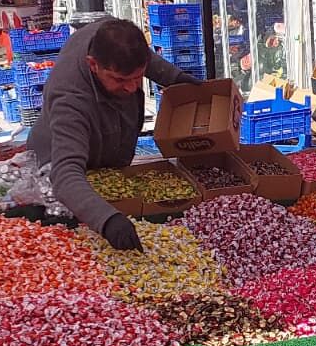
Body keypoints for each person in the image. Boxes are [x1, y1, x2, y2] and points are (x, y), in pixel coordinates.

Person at [30, 18, 200, 250]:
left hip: (107, 143)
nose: (131, 88)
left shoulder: (112, 35)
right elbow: (65, 174)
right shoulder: (70, 99)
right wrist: (107, 219)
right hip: (56, 161)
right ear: (93, 65)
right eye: (120, 80)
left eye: (136, 78)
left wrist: (173, 77)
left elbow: (142, 58)